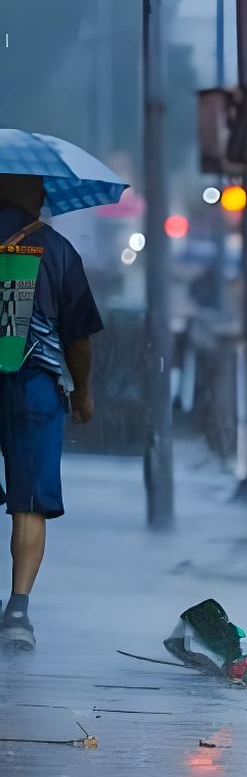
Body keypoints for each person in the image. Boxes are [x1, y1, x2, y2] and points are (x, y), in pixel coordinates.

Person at [0, 173, 101, 650]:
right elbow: (78, 337)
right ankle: (17, 612)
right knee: (30, 502)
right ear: (36, 194)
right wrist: (83, 392)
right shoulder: (57, 250)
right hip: (34, 388)